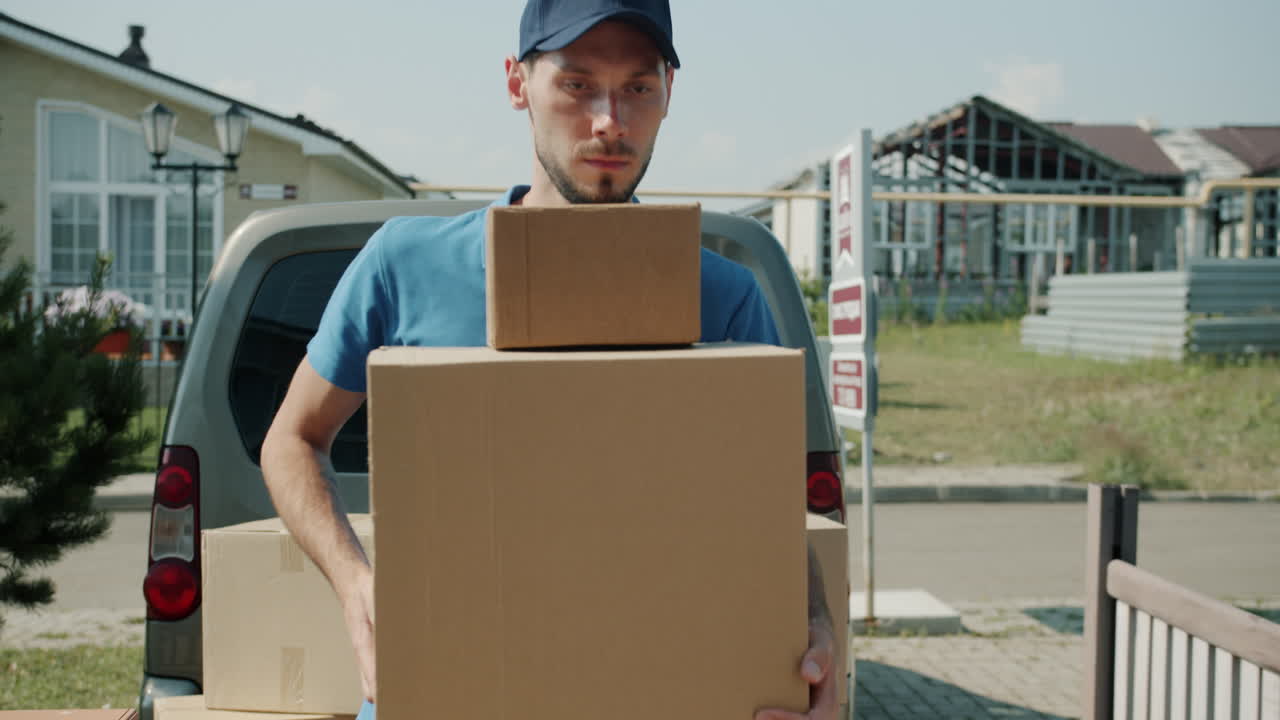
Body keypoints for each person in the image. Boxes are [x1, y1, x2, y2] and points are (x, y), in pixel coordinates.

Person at [259, 2, 836, 719]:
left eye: (638, 87)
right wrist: (356, 586)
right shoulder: (403, 265)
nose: (609, 122)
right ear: (517, 84)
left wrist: (812, 622)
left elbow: (770, 510)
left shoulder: (721, 297)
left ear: (669, 93)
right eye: (577, 84)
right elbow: (292, 439)